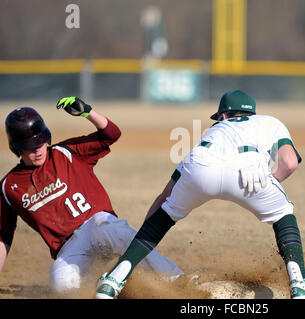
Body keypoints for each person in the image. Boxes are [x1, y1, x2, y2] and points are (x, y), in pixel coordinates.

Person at [95, 90, 305, 299]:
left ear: (223, 116)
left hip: (200, 165)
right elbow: (290, 162)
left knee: (166, 214)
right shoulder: (270, 122)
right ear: (251, 113)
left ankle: (115, 279)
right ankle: (300, 283)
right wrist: (269, 180)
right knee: (283, 213)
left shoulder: (211, 132)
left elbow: (164, 196)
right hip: (249, 169)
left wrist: (146, 233)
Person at [0, 97, 183, 295]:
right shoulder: (9, 186)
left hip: (97, 227)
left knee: (108, 225)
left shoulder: (65, 152)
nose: (38, 150)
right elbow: (2, 235)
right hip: (69, 249)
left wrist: (88, 112)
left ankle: (176, 278)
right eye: (30, 147)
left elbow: (111, 134)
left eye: (41, 143)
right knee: (62, 287)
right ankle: (113, 284)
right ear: (17, 148)